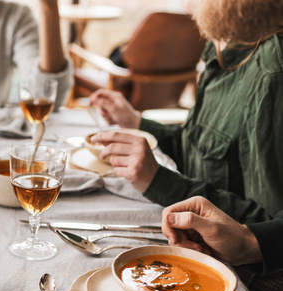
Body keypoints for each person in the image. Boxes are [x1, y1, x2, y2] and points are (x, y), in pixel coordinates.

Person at [89, 0, 283, 225]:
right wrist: (137, 122)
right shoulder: (226, 44)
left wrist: (159, 181)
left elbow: (265, 229)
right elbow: (200, 148)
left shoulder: (271, 75)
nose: (186, 6)